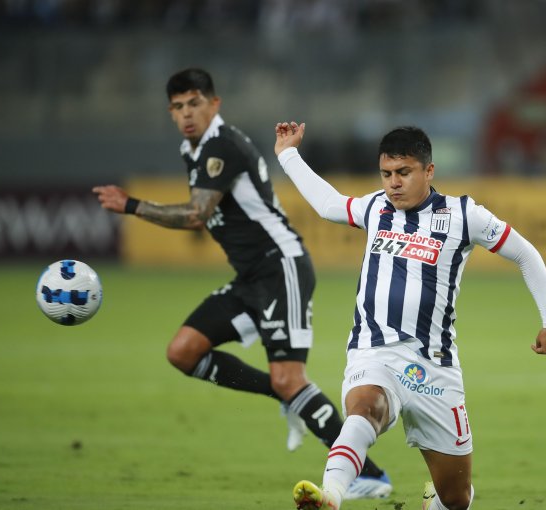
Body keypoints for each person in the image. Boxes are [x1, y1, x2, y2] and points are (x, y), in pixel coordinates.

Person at [92, 68, 391, 499]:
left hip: (280, 267)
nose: (186, 114)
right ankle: (290, 396)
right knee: (184, 351)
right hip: (250, 277)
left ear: (214, 104)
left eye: (195, 103)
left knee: (292, 378)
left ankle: (371, 474)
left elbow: (197, 215)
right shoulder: (192, 148)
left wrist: (133, 205)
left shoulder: (222, 145)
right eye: (178, 107)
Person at [273, 122, 546, 510]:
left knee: (456, 498)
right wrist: (287, 154)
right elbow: (329, 204)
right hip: (374, 352)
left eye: (404, 173)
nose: (394, 183)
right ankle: (331, 496)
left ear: (428, 171)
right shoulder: (375, 207)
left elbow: (525, 253)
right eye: (387, 174)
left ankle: (434, 501)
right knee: (365, 407)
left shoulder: (464, 215)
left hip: (435, 365)